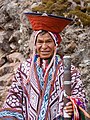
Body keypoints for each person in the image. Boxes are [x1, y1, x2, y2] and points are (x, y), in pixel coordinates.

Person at [0, 12, 89, 120]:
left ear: (55, 44)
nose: (44, 46)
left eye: (48, 41)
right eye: (40, 42)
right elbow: (14, 97)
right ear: (35, 44)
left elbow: (80, 97)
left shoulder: (70, 71)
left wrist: (73, 105)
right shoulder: (24, 69)